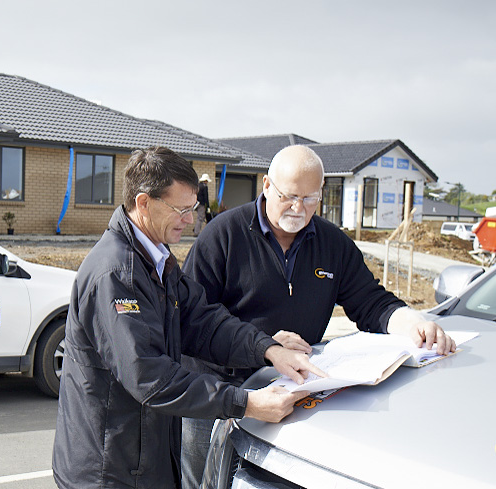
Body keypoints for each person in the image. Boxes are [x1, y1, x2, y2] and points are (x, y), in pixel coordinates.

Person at [178, 144, 456, 489]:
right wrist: (262, 345)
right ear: (266, 185)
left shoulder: (332, 244)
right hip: (219, 393)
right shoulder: (223, 235)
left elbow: (370, 302)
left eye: (311, 199)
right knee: (205, 482)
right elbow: (193, 319)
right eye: (290, 196)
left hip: (291, 390)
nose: (299, 209)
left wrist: (413, 322)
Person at [52, 146, 327, 489]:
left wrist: (268, 350)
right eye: (180, 210)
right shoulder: (116, 274)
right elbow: (149, 376)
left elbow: (204, 321)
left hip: (142, 462)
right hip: (108, 472)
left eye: (192, 208)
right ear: (143, 203)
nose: (190, 219)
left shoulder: (158, 259)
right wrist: (245, 403)